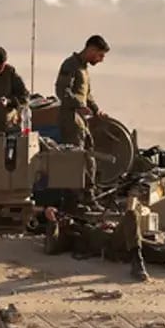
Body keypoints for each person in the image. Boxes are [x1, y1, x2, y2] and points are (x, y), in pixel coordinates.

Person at [42, 200, 165, 283]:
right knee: (131, 214)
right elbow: (52, 247)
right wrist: (53, 223)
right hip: (113, 246)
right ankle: (137, 263)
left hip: (131, 242)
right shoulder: (74, 234)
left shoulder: (88, 221)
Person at [54, 35, 110, 204]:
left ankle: (88, 196)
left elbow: (86, 95)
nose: (100, 60)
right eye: (99, 55)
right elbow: (62, 90)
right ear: (91, 49)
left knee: (88, 156)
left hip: (81, 120)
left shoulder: (83, 68)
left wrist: (96, 110)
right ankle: (74, 200)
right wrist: (78, 105)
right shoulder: (70, 65)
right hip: (70, 118)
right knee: (75, 159)